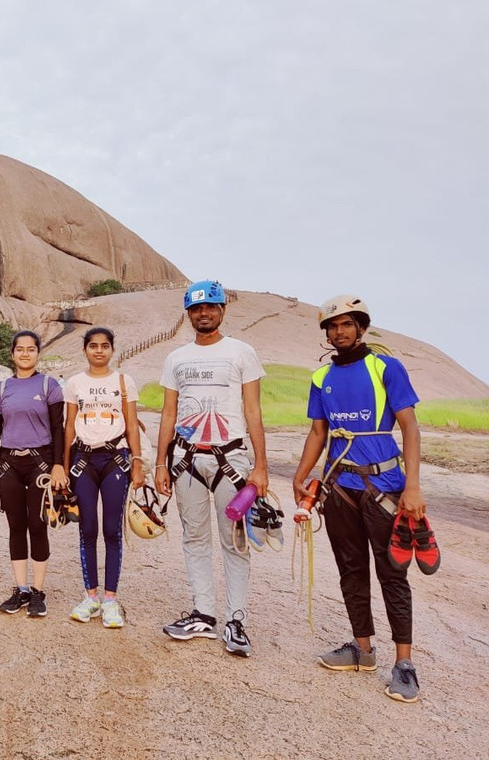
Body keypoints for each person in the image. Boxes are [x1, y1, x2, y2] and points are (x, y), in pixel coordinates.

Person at [292, 295, 427, 703]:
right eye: (332, 326)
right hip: (339, 488)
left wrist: (414, 487)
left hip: (384, 485)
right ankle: (362, 648)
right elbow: (319, 432)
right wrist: (301, 476)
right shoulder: (321, 378)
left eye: (346, 324)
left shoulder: (385, 367)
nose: (339, 332)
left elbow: (410, 428)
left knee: (392, 574)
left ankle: (404, 664)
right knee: (351, 569)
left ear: (361, 327)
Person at [155, 280, 268, 657]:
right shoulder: (177, 358)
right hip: (185, 457)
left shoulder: (241, 352)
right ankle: (204, 613)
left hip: (230, 457)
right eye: (197, 309)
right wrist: (160, 463)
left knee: (234, 540)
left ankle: (236, 620)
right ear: (188, 314)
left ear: (222, 310)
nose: (204, 314)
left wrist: (261, 466)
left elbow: (253, 410)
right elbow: (169, 412)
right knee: (194, 536)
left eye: (211, 307)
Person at [62, 327, 145, 628]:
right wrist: (64, 465)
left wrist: (137, 462)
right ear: (84, 349)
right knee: (87, 530)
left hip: (115, 459)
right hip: (83, 460)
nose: (99, 351)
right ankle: (90, 597)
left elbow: (132, 425)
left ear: (112, 350)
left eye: (105, 346)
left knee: (111, 531)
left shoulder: (123, 382)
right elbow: (69, 427)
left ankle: (110, 600)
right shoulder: (75, 383)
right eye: (93, 346)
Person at [0, 331, 67, 617]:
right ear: (12, 353)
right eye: (20, 349)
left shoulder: (48, 385)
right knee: (16, 526)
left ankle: (39, 591)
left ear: (38, 353)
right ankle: (21, 589)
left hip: (40, 464)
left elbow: (58, 428)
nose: (25, 354)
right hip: (9, 464)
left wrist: (58, 464)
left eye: (31, 349)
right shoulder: (2, 389)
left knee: (37, 525)